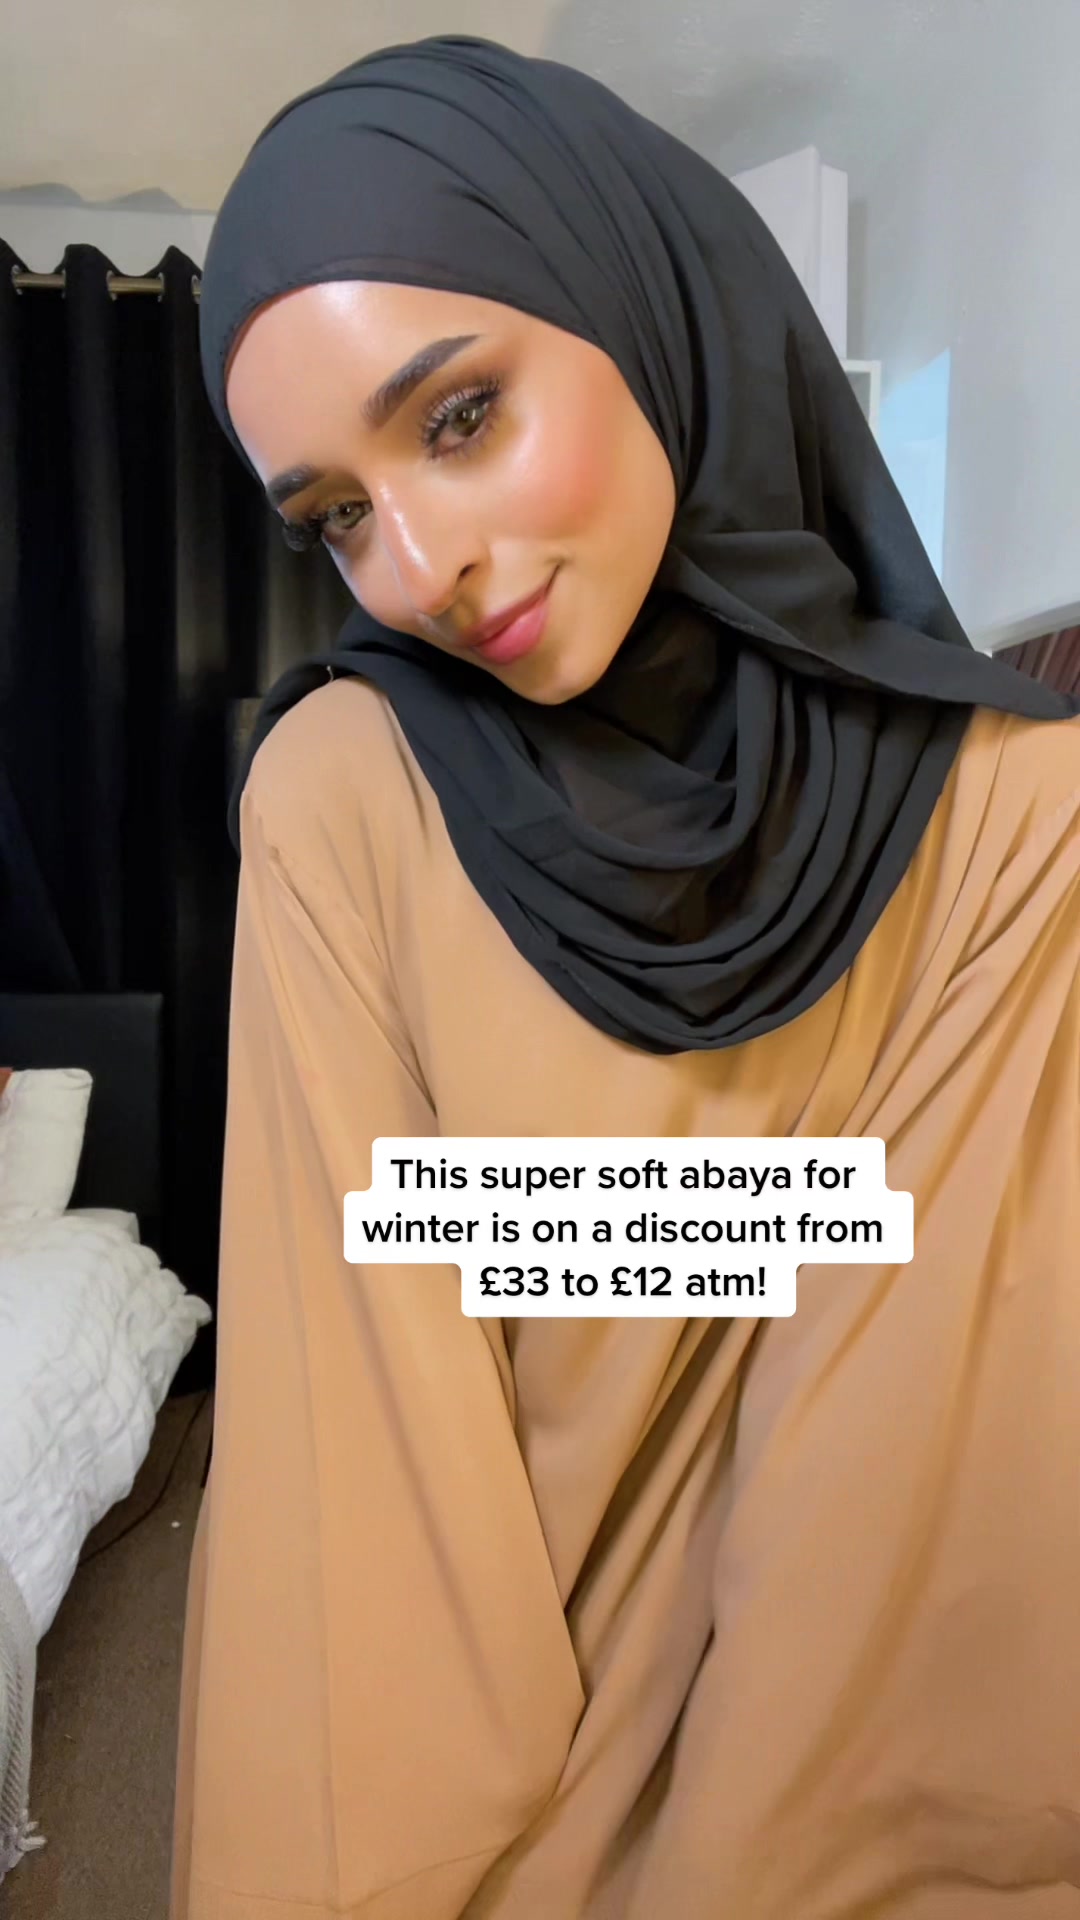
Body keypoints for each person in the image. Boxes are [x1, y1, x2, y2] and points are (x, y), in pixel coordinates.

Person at [171, 34, 1080, 1920]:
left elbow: (920, 1464)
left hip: (869, 1802)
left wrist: (493, 1219)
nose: (420, 566)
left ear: (639, 300)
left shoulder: (1018, 811)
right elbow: (349, 1441)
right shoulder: (344, 798)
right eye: (336, 516)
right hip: (492, 1807)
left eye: (457, 416)